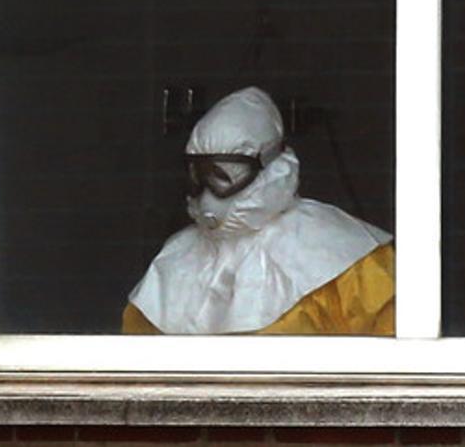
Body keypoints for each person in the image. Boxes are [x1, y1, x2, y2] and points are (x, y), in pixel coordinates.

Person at [122, 87, 394, 335]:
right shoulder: (174, 261)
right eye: (199, 174)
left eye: (225, 174)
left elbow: (397, 368)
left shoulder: (344, 256)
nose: (207, 191)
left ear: (273, 167)